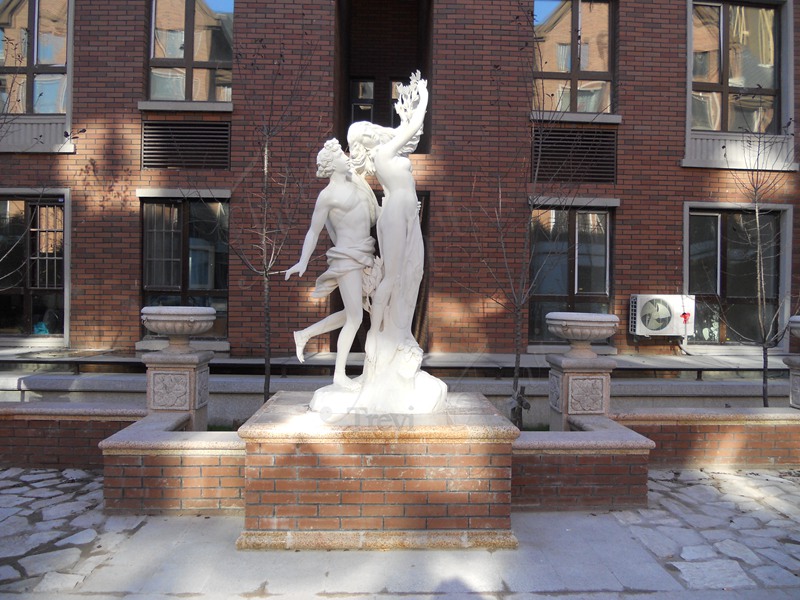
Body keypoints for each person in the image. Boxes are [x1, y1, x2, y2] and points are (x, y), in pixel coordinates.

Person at [285, 139, 379, 390]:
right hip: (347, 258)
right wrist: (302, 261)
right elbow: (314, 231)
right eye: (340, 155)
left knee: (359, 311)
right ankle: (339, 375)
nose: (345, 157)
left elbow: (376, 215)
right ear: (331, 164)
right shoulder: (326, 196)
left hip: (365, 253)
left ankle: (303, 335)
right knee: (356, 317)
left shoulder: (357, 183)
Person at [347, 72, 428, 355]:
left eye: (369, 129)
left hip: (404, 213)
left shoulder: (387, 154)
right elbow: (415, 124)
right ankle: (378, 336)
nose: (372, 132)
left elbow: (408, 131)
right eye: (366, 134)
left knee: (412, 271)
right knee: (393, 277)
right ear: (364, 144)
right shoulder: (382, 154)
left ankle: (400, 331)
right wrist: (425, 96)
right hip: (397, 214)